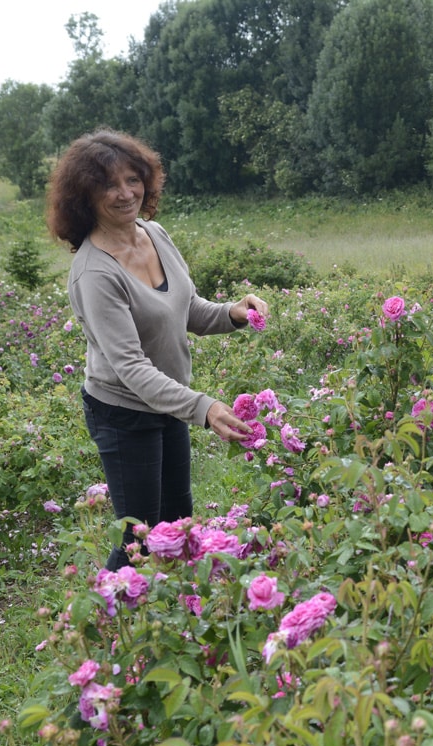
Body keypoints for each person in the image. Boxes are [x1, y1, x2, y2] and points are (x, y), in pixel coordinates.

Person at [47, 128, 268, 571]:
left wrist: (233, 313)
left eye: (133, 179)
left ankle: (174, 606)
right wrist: (203, 407)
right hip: (124, 413)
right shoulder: (94, 273)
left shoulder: (154, 234)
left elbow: (185, 308)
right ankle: (107, 609)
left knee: (178, 524)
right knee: (140, 538)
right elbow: (130, 367)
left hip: (168, 404)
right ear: (84, 197)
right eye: (108, 185)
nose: (125, 193)